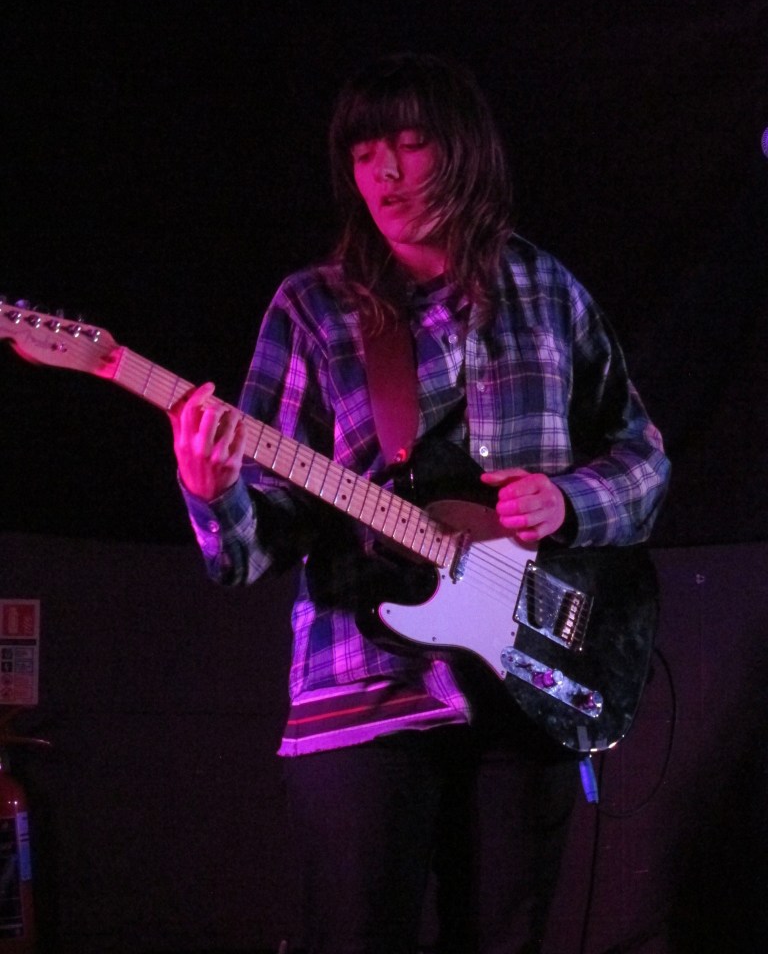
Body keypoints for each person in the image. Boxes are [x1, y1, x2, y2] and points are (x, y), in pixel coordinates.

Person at [169, 53, 670, 954]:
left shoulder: (552, 295)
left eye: (409, 146)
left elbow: (643, 460)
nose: (385, 175)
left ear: (467, 152)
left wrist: (566, 501)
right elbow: (249, 548)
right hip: (363, 688)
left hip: (533, 684)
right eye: (365, 154)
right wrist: (215, 495)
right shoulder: (313, 309)